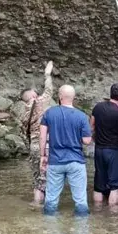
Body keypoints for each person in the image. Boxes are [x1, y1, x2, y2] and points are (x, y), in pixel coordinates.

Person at [40, 85, 92, 216]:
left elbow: (42, 136)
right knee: (80, 200)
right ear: (73, 97)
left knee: (51, 199)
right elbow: (87, 140)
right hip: (76, 161)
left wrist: (43, 156)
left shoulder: (49, 113)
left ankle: (50, 230)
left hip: (55, 161)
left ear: (60, 96)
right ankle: (81, 231)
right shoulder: (81, 116)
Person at [20, 61, 55, 205]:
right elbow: (49, 90)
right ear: (34, 95)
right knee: (46, 178)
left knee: (37, 179)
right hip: (44, 146)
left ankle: (36, 204)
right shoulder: (41, 102)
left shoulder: (23, 112)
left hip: (32, 146)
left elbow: (23, 134)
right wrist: (47, 74)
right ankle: (46, 207)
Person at [91, 84, 118, 207]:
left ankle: (98, 211)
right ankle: (112, 217)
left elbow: (92, 126)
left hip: (99, 149)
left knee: (98, 185)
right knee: (115, 186)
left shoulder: (98, 107)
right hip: (115, 151)